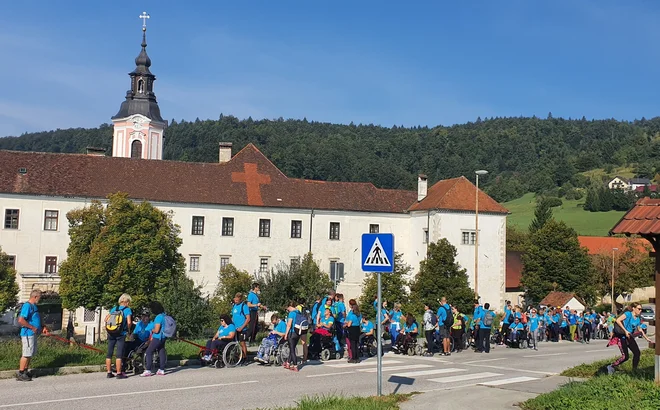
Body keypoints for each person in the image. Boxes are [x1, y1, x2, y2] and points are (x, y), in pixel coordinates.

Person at [607, 303, 652, 375]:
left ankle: (634, 370)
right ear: (633, 308)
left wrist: (647, 338)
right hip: (621, 337)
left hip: (629, 337)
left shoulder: (637, 319)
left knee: (637, 353)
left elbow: (639, 329)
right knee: (625, 357)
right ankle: (611, 366)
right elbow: (618, 320)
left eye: (641, 309)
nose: (640, 310)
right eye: (639, 309)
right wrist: (625, 331)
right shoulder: (628, 314)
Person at [16, 289, 47, 382]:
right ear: (35, 297)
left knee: (30, 353)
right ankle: (21, 373)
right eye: (40, 298)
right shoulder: (27, 306)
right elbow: (21, 320)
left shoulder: (34, 306)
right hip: (27, 333)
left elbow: (37, 317)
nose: (40, 300)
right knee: (26, 353)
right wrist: (32, 327)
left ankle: (25, 371)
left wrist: (43, 326)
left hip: (32, 334)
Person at [105, 293, 133, 379]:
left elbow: (106, 319)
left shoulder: (114, 308)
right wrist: (128, 330)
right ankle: (119, 373)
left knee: (109, 353)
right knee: (119, 354)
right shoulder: (127, 310)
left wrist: (109, 328)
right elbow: (129, 322)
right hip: (121, 334)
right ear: (127, 301)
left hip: (111, 332)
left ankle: (109, 373)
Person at [141, 301, 167, 377]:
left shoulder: (158, 317)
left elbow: (156, 330)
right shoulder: (164, 315)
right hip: (163, 337)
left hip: (157, 337)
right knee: (161, 351)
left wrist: (152, 330)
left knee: (149, 351)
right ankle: (161, 369)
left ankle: (148, 370)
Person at [231, 293, 251, 365]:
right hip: (235, 328)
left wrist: (242, 327)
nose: (235, 301)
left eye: (237, 300)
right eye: (235, 300)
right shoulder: (234, 306)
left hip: (242, 328)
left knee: (242, 343)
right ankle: (237, 357)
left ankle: (244, 358)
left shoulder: (244, 306)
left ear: (240, 299)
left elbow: (248, 318)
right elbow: (233, 317)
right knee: (234, 343)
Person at [284, 301, 302, 372]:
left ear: (289, 307)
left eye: (288, 308)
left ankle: (295, 366)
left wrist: (286, 334)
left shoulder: (291, 313)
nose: (287, 310)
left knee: (292, 350)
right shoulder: (299, 312)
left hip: (292, 332)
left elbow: (289, 325)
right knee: (293, 348)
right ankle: (288, 363)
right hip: (298, 333)